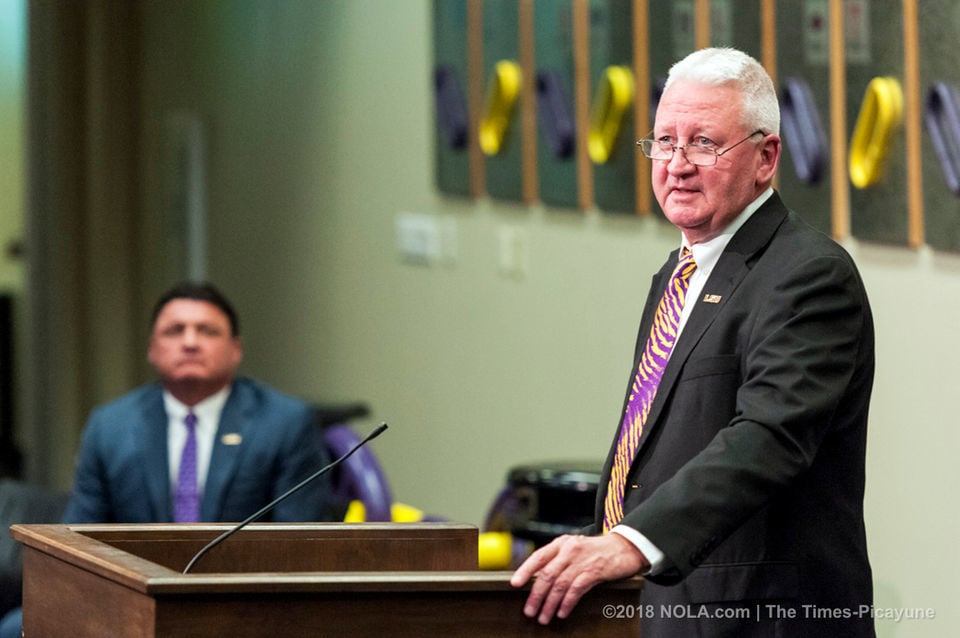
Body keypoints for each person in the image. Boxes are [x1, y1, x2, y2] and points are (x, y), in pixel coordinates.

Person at [511, 47, 875, 637]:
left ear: (766, 157)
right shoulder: (679, 272)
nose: (676, 164)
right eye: (664, 141)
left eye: (703, 143)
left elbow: (768, 437)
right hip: (668, 609)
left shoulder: (808, 276)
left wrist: (632, 543)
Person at [0, 281, 333, 637]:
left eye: (207, 331)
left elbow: (301, 545)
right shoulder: (110, 426)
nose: (190, 342)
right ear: (152, 350)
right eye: (175, 331)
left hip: (244, 605)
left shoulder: (284, 423)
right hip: (130, 598)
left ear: (235, 349)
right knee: (15, 626)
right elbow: (77, 540)